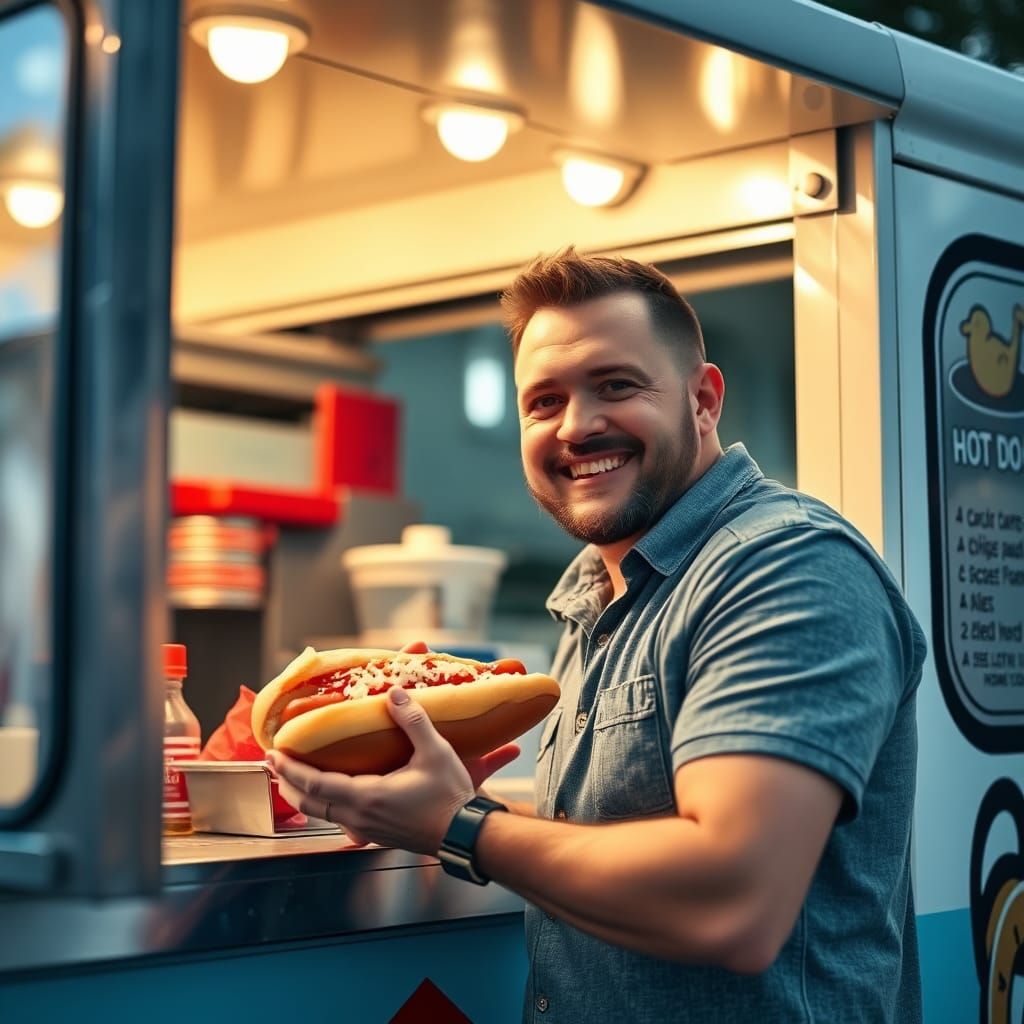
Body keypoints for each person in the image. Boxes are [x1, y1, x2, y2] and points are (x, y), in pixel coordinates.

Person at [267, 248, 927, 1023]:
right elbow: (627, 845)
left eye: (616, 386)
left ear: (703, 400)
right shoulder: (597, 599)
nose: (577, 427)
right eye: (543, 402)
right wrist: (434, 784)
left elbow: (733, 900)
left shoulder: (787, 567)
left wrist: (458, 824)